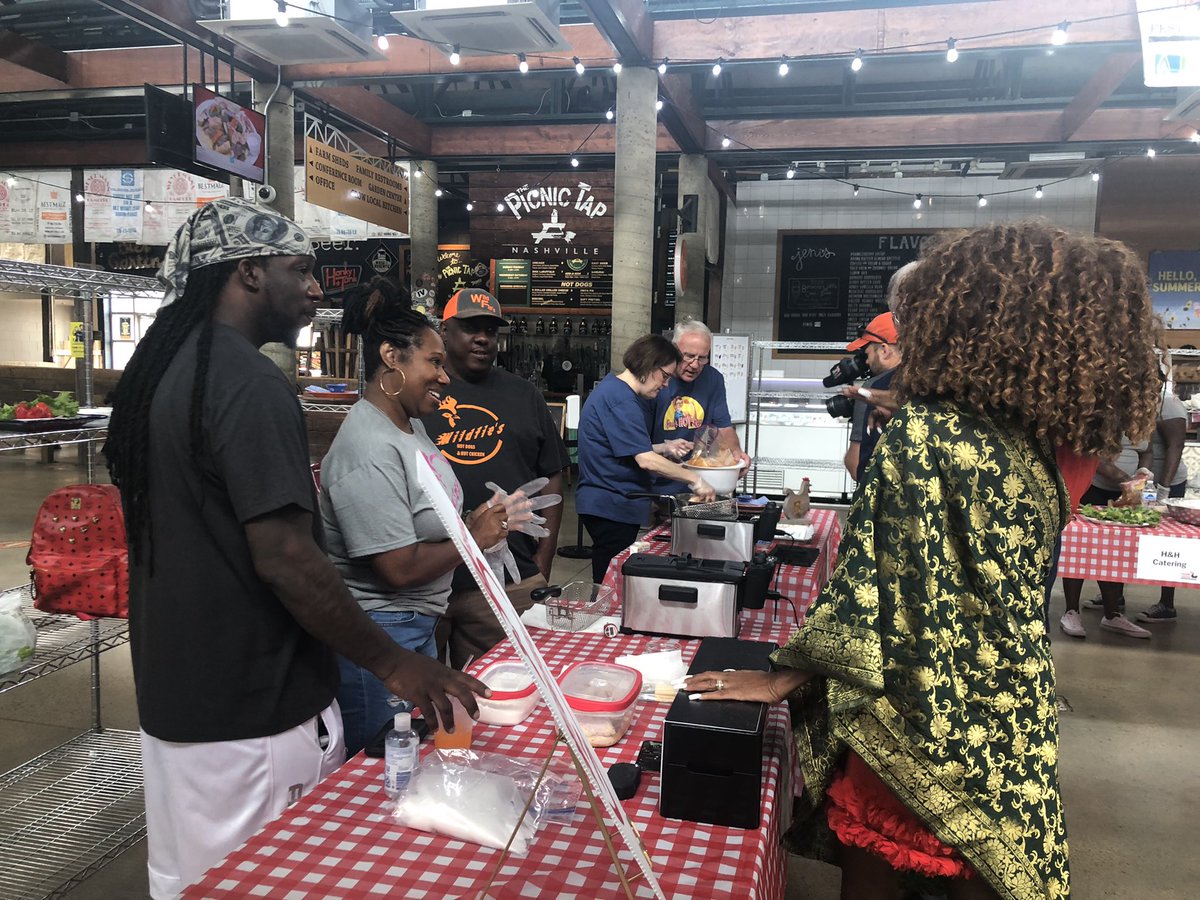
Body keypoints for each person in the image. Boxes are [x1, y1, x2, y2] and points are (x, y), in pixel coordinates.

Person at [685, 222, 1163, 900]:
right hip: (1008, 708)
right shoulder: (1073, 439)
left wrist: (781, 678)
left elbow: (870, 584)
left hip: (912, 708)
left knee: (882, 868)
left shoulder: (928, 434)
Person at [104, 199, 490, 898]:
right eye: (301, 270)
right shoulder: (249, 383)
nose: (317, 288)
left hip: (180, 703)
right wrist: (394, 663)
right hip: (257, 710)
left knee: (189, 883)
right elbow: (286, 557)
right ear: (247, 273)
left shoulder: (161, 375)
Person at [319, 281, 510, 756]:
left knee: (410, 759)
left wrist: (476, 518)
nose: (445, 378)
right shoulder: (368, 446)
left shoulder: (411, 428)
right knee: (377, 772)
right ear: (391, 357)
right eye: (435, 362)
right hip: (382, 634)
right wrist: (473, 538)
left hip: (415, 626)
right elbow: (397, 568)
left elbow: (426, 513)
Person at [421, 288, 570, 669]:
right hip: (425, 581)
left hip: (510, 580)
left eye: (491, 329)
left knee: (511, 694)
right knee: (421, 706)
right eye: (470, 328)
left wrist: (543, 558)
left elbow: (553, 473)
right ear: (445, 329)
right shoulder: (420, 395)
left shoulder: (524, 395)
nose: (483, 338)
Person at [577, 334, 717, 583]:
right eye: (664, 376)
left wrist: (664, 446)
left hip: (614, 503)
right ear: (648, 366)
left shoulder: (616, 391)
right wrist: (695, 479)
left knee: (611, 576)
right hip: (611, 503)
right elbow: (645, 460)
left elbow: (622, 446)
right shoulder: (621, 399)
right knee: (610, 583)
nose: (665, 385)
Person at [1059, 437, 1154, 640]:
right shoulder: (1105, 414)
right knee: (1080, 549)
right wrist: (1128, 480)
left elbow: (1147, 451)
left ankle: (1112, 614)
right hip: (1094, 489)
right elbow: (1093, 455)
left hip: (1127, 495)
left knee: (1117, 553)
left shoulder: (1141, 419)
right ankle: (1071, 612)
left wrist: (1143, 476)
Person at [650, 318, 750, 488]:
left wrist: (737, 454)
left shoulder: (713, 379)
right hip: (654, 476)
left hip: (696, 478)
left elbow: (724, 427)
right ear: (674, 351)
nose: (695, 365)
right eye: (688, 356)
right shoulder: (655, 379)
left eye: (702, 358)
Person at [1137, 378, 1189, 624]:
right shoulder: (1141, 403)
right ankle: (1115, 598)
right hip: (1145, 483)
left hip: (1167, 483)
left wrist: (1164, 490)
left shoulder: (1169, 405)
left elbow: (1176, 447)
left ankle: (1167, 603)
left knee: (1167, 542)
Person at [840, 311, 902, 482]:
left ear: (884, 350)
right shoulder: (927, 381)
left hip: (883, 500)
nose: (866, 362)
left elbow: (855, 467)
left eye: (867, 355)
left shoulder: (871, 390)